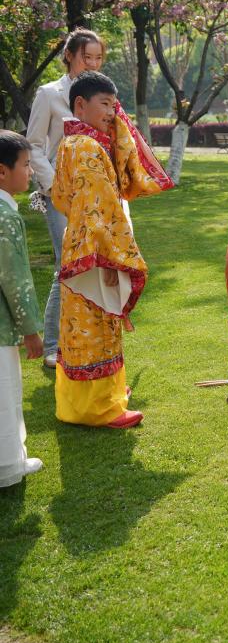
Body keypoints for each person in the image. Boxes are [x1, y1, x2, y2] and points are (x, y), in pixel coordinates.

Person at [51, 71, 172, 428]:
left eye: (113, 105)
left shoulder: (70, 143)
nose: (111, 113)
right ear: (80, 105)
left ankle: (86, 402)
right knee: (98, 330)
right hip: (95, 253)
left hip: (79, 246)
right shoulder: (88, 148)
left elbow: (62, 197)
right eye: (104, 104)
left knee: (79, 330)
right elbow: (100, 211)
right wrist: (109, 258)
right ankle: (101, 409)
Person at [26, 28, 106, 369]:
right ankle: (53, 346)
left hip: (97, 195)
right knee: (67, 265)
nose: (93, 63)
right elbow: (33, 145)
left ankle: (88, 340)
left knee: (96, 265)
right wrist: (54, 186)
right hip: (59, 195)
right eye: (87, 57)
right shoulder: (49, 94)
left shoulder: (103, 93)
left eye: (98, 57)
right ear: (70, 56)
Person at [0, 131, 45, 486]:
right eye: (26, 165)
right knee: (5, 390)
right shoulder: (6, 217)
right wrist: (31, 330)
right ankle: (8, 466)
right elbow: (15, 278)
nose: (30, 172)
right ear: (3, 171)